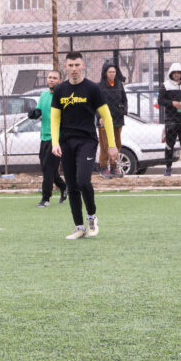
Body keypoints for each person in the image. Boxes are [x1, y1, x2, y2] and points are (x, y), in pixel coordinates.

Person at [52, 51, 118, 240]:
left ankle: (91, 217)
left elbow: (107, 116)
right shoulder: (60, 90)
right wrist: (55, 142)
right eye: (70, 65)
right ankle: (79, 228)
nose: (74, 69)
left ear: (83, 66)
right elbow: (55, 119)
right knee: (71, 185)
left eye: (77, 65)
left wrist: (112, 145)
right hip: (66, 143)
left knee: (82, 181)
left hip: (87, 141)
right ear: (66, 67)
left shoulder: (92, 89)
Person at [28, 69, 68, 208]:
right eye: (50, 77)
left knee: (47, 167)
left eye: (55, 78)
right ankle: (63, 187)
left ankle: (46, 199)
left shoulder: (62, 96)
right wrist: (34, 113)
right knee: (48, 169)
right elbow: (39, 111)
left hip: (57, 138)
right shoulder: (44, 95)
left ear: (60, 81)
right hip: (44, 136)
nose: (51, 79)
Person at [96, 60, 128, 179]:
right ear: (105, 73)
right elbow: (96, 104)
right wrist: (99, 117)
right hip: (104, 121)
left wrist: (124, 110)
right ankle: (104, 167)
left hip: (118, 119)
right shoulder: (99, 86)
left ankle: (114, 166)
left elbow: (124, 100)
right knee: (105, 145)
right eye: (110, 72)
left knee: (117, 144)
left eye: (114, 72)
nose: (112, 74)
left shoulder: (119, 85)